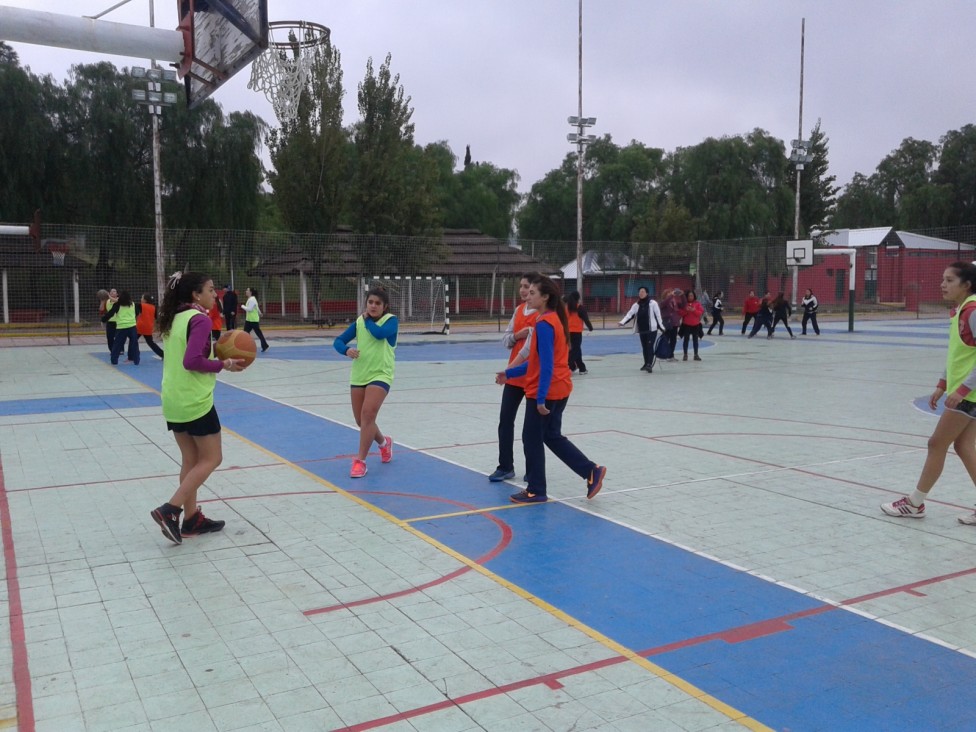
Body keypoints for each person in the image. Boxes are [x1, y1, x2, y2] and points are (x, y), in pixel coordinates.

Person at [150, 272, 245, 545]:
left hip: (172, 399)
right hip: (195, 401)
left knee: (190, 461)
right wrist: (223, 364)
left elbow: (188, 354)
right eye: (211, 290)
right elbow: (192, 361)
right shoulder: (199, 319)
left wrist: (216, 353)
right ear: (196, 294)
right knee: (212, 458)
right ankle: (171, 510)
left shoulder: (176, 318)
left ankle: (191, 519)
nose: (215, 295)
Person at [496, 274, 607, 504]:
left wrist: (540, 399)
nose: (528, 295)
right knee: (551, 436)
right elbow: (535, 362)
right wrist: (509, 374)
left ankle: (536, 490)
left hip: (547, 390)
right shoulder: (551, 319)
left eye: (533, 292)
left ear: (545, 297)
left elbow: (545, 366)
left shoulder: (545, 324)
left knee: (531, 437)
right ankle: (591, 471)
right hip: (560, 386)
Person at [882, 262, 976, 524]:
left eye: (949, 280)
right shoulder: (961, 311)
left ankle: (914, 503)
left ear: (966, 285)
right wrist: (942, 384)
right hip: (966, 392)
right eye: (942, 280)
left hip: (969, 394)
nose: (942, 285)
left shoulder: (973, 310)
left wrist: (963, 388)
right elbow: (958, 354)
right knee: (964, 445)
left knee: (937, 443)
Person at [333, 286, 398, 478]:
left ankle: (360, 461)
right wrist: (346, 350)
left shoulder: (391, 321)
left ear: (385, 306)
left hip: (381, 374)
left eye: (378, 303)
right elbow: (338, 341)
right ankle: (384, 443)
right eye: (370, 302)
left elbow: (378, 334)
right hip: (359, 374)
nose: (373, 306)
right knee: (362, 421)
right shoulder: (360, 322)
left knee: (368, 414)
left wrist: (368, 320)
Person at [488, 273, 540, 482]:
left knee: (531, 428)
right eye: (521, 286)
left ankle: (532, 470)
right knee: (505, 421)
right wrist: (518, 335)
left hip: (531, 375)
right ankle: (505, 466)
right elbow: (506, 339)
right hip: (514, 375)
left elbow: (531, 350)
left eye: (526, 287)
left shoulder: (543, 315)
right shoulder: (518, 311)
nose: (522, 290)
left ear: (536, 289)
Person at [618, 286, 663, 372]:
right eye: (640, 292)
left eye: (643, 291)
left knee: (650, 346)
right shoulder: (636, 305)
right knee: (644, 347)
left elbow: (658, 316)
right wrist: (622, 322)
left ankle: (649, 364)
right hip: (642, 329)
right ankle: (646, 363)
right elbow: (630, 314)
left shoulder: (653, 303)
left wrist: (661, 327)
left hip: (652, 330)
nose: (641, 293)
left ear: (647, 293)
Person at [102, 290, 140, 365]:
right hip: (132, 327)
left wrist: (103, 320)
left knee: (117, 345)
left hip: (121, 327)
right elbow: (137, 313)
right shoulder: (133, 304)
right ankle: (136, 360)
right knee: (134, 344)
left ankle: (114, 360)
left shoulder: (117, 305)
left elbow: (110, 313)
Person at [564, 291, 593, 375]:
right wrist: (590, 328)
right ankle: (568, 365)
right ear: (578, 298)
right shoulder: (579, 308)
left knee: (576, 350)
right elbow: (586, 319)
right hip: (576, 333)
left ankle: (581, 368)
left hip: (567, 333)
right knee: (575, 350)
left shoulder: (567, 309)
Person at [660, 288, 686, 360]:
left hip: (674, 323)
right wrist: (671, 295)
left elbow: (684, 305)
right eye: (668, 294)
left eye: (670, 293)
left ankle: (671, 355)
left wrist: (682, 295)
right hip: (667, 323)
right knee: (665, 339)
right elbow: (664, 302)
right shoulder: (663, 302)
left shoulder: (674, 302)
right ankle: (663, 354)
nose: (670, 295)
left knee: (673, 340)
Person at [679, 289, 705, 361]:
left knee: (695, 340)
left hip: (695, 325)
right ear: (687, 296)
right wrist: (686, 310)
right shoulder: (684, 304)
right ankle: (685, 354)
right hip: (686, 324)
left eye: (692, 295)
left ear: (694, 296)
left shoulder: (697, 304)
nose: (690, 297)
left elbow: (700, 313)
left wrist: (694, 310)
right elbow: (680, 313)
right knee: (686, 340)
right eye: (689, 296)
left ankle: (696, 354)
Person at [242, 286, 270, 352]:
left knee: (255, 333)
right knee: (245, 333)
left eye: (247, 290)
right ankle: (247, 346)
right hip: (249, 320)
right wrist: (260, 313)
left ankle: (264, 345)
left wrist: (242, 306)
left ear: (250, 292)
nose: (246, 291)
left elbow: (249, 309)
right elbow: (257, 307)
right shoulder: (251, 299)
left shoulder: (252, 300)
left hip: (253, 320)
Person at [137, 293, 164, 359]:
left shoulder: (141, 305)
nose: (141, 299)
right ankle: (162, 354)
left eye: (142, 298)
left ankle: (135, 354)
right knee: (150, 343)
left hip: (140, 327)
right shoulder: (154, 307)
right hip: (148, 327)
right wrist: (154, 327)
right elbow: (156, 318)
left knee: (133, 340)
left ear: (145, 300)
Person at [102, 288, 119, 352]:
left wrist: (108, 295)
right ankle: (112, 350)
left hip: (118, 322)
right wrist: (102, 300)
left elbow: (116, 301)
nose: (112, 292)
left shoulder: (119, 300)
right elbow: (101, 309)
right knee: (109, 338)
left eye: (114, 291)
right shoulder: (107, 301)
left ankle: (120, 349)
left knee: (119, 337)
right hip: (110, 322)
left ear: (117, 294)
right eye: (111, 291)